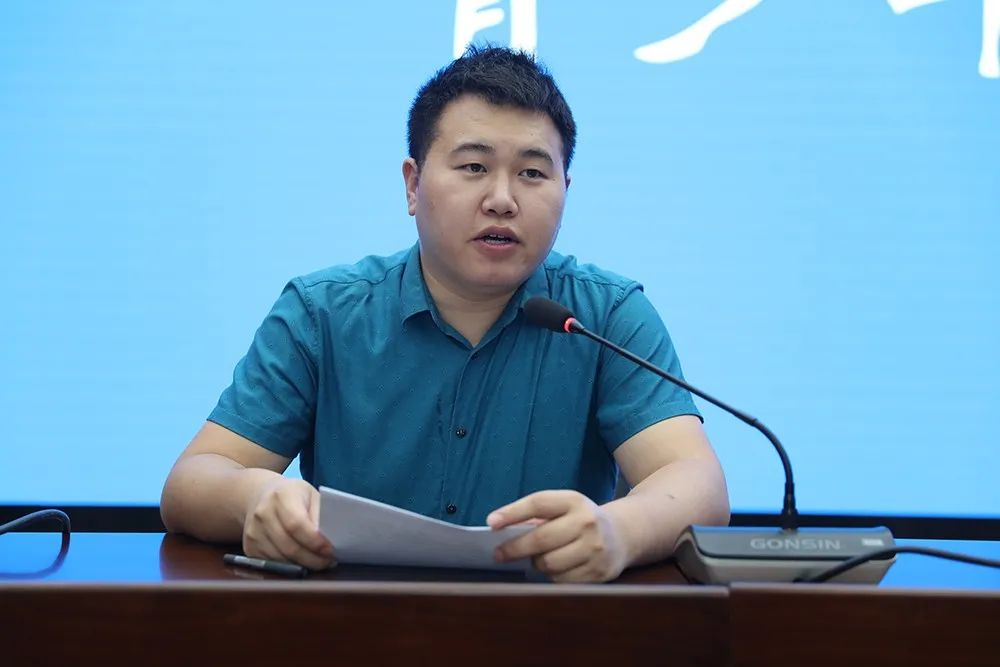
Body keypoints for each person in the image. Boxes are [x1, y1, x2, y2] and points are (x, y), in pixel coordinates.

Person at [160, 45, 729, 583]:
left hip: (551, 625)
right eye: (474, 167)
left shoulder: (606, 314)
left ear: (565, 188)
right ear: (413, 185)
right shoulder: (322, 313)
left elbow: (695, 481)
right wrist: (255, 499)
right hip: (353, 625)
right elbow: (192, 482)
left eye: (533, 173)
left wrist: (619, 530)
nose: (502, 199)